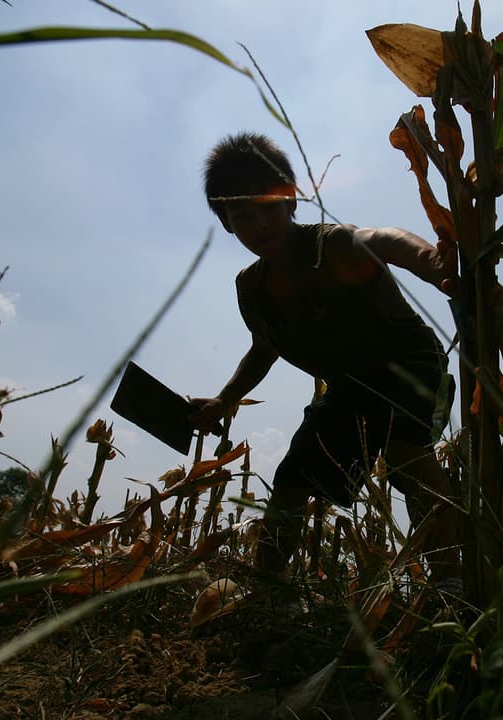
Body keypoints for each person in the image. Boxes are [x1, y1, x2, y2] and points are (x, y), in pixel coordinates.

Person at [187, 132, 460, 583]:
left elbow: (385, 240)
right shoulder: (252, 289)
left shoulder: (330, 248)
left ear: (292, 200)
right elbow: (264, 349)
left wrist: (432, 264)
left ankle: (452, 584)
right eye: (242, 216)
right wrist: (224, 399)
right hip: (350, 388)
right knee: (293, 477)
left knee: (407, 455)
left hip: (409, 363)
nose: (259, 225)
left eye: (268, 208)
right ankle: (267, 587)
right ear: (228, 223)